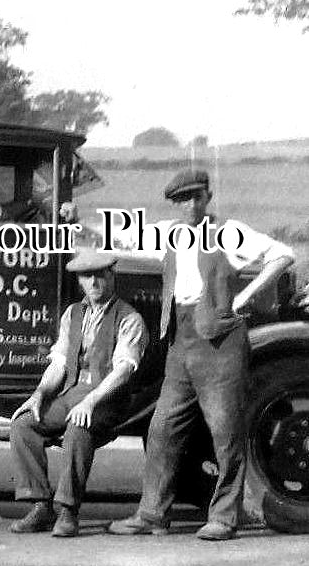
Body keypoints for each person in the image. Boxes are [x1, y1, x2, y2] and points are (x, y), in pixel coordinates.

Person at [109, 169, 293, 541]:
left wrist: (245, 296)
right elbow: (119, 237)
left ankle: (224, 518)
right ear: (175, 205)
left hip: (220, 343)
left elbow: (283, 255)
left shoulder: (229, 233)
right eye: (182, 200)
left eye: (197, 198)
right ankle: (152, 515)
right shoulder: (169, 236)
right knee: (162, 429)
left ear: (208, 198)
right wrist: (70, 221)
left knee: (225, 432)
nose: (190, 205)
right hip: (180, 341)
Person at [9, 251, 148, 537]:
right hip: (73, 392)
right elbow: (59, 363)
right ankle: (41, 506)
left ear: (112, 276)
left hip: (107, 398)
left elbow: (123, 371)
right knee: (23, 424)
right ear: (80, 281)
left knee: (78, 427)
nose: (94, 281)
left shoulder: (129, 318)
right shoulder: (73, 313)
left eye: (100, 274)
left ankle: (68, 510)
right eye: (87, 276)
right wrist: (39, 394)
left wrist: (90, 400)